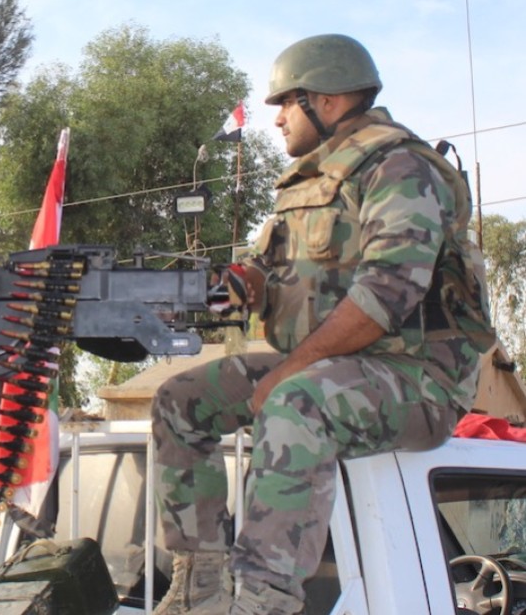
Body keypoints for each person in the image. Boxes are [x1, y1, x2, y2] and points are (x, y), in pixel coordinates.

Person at [151, 33, 494, 614]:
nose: (278, 118)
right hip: (337, 369)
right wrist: (229, 286)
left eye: (287, 102)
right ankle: (200, 587)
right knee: (180, 400)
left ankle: (264, 600)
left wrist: (288, 370)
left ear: (327, 100)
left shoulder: (401, 167)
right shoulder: (309, 183)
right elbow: (267, 273)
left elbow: (386, 294)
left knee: (295, 402)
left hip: (418, 379)